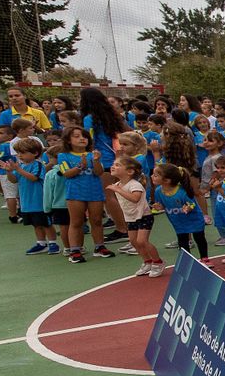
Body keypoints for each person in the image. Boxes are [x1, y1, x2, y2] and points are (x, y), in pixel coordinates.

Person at [57, 126, 115, 263]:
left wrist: (95, 161)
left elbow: (99, 172)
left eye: (84, 136)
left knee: (96, 220)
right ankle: (75, 250)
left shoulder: (93, 154)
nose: (82, 138)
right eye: (76, 136)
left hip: (94, 191)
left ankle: (99, 247)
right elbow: (66, 174)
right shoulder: (63, 156)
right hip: (76, 193)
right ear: (68, 141)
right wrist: (80, 166)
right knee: (76, 222)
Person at [80, 86, 130, 242]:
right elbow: (129, 131)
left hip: (104, 160)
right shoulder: (113, 115)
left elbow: (90, 140)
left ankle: (122, 229)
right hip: (117, 157)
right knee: (117, 195)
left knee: (109, 196)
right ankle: (127, 226)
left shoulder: (90, 119)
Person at [105, 155, 164, 276]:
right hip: (131, 218)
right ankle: (147, 262)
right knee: (133, 241)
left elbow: (135, 199)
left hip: (144, 216)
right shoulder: (118, 184)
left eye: (117, 165)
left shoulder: (134, 185)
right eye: (113, 164)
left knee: (142, 241)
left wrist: (118, 190)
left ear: (130, 171)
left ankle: (158, 262)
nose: (113, 166)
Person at [0, 137, 58, 255]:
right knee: (35, 224)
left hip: (39, 201)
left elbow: (34, 177)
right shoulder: (20, 166)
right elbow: (14, 180)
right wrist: (9, 171)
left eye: (23, 153)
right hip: (27, 202)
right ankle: (41, 243)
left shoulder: (38, 165)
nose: (20, 155)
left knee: (46, 224)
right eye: (18, 153)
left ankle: (53, 243)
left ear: (35, 153)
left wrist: (18, 169)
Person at [151, 163, 209, 262]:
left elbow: (191, 204)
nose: (152, 176)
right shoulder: (158, 191)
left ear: (167, 180)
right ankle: (188, 262)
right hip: (178, 221)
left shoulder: (182, 192)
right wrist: (158, 207)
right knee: (182, 242)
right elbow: (161, 205)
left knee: (199, 238)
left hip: (194, 219)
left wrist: (188, 208)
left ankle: (205, 259)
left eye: (155, 175)